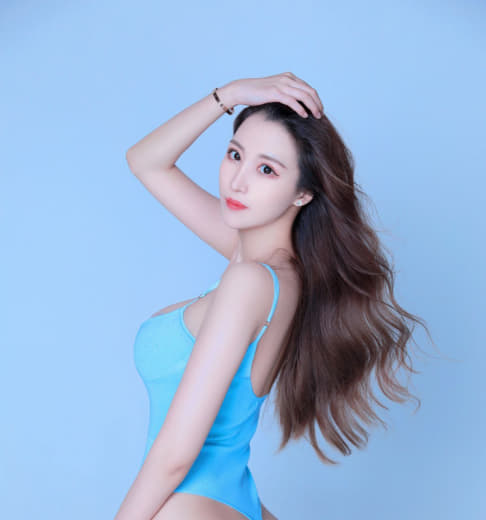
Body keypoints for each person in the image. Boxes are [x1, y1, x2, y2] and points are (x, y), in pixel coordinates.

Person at [115, 72, 432, 520]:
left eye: (267, 169)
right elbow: (145, 161)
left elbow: (175, 456)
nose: (237, 182)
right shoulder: (267, 266)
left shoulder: (252, 281)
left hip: (189, 504)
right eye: (235, 155)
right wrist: (231, 94)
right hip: (228, 499)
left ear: (303, 193)